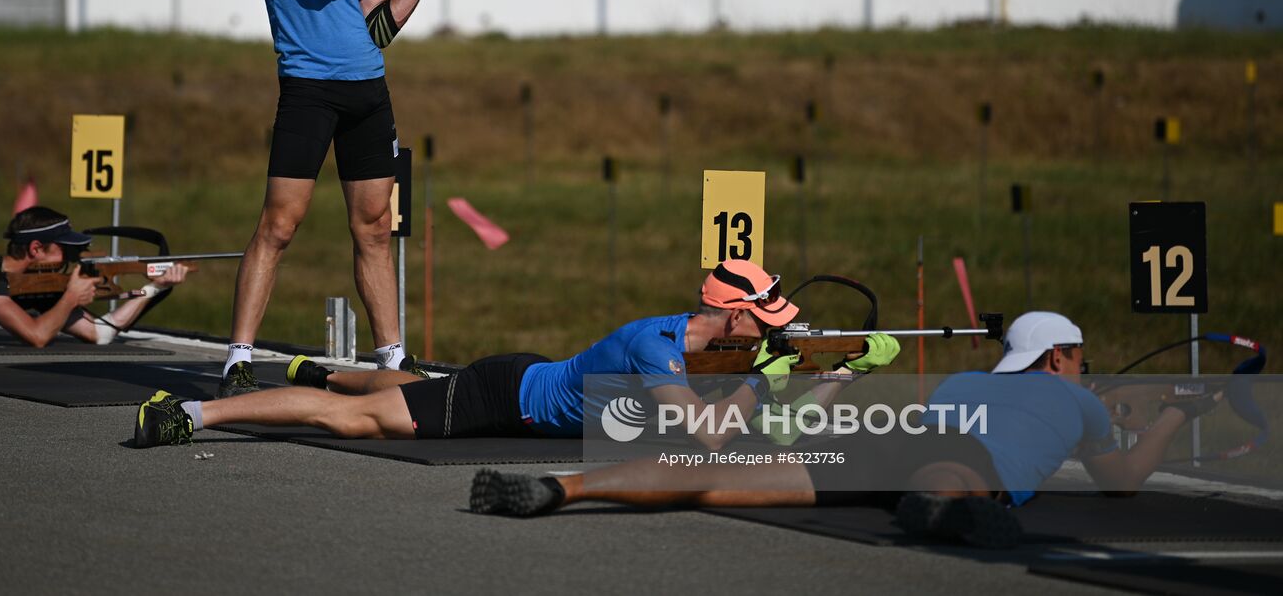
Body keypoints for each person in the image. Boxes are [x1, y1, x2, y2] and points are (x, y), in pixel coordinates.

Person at [468, 311, 1218, 550]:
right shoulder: (1076, 399)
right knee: (953, 476)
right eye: (1081, 359)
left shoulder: (966, 380)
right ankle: (946, 508)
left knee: (712, 476)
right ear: (1059, 358)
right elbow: (1121, 481)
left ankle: (565, 486)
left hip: (881, 436)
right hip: (947, 456)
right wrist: (1179, 410)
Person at [131, 259, 903, 449]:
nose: (773, 333)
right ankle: (192, 413)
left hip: (527, 376)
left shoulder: (711, 348)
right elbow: (708, 436)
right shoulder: (655, 346)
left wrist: (833, 374)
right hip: (503, 400)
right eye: (765, 321)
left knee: (408, 384)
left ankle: (316, 365)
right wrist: (771, 384)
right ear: (731, 318)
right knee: (357, 419)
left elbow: (769, 426)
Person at [224, 0, 456, 398]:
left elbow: (379, 28)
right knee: (279, 225)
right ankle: (238, 359)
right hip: (308, 89)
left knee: (374, 229)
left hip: (368, 92)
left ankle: (394, 361)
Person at [0, 206, 187, 346]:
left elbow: (102, 333)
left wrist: (155, 287)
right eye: (64, 251)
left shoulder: (38, 287)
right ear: (36, 249)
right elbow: (36, 336)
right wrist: (70, 298)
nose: (72, 259)